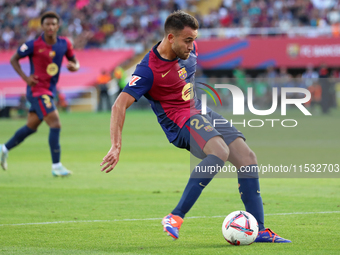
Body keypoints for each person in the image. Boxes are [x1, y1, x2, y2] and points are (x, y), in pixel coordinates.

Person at [100, 10, 291, 243]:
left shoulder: (189, 50)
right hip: (179, 122)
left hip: (200, 111)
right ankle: (175, 216)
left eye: (194, 40)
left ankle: (260, 229)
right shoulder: (148, 69)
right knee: (220, 151)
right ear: (170, 38)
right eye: (187, 40)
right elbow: (119, 105)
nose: (192, 46)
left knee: (248, 158)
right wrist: (116, 145)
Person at [0, 11, 80, 176]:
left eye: (53, 24)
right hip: (37, 90)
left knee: (31, 127)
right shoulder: (33, 45)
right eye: (47, 24)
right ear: (42, 26)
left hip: (50, 90)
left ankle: (3, 149)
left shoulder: (64, 44)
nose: (50, 27)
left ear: (58, 26)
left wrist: (75, 67)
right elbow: (13, 59)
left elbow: (74, 61)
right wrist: (26, 78)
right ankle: (56, 166)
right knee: (55, 123)